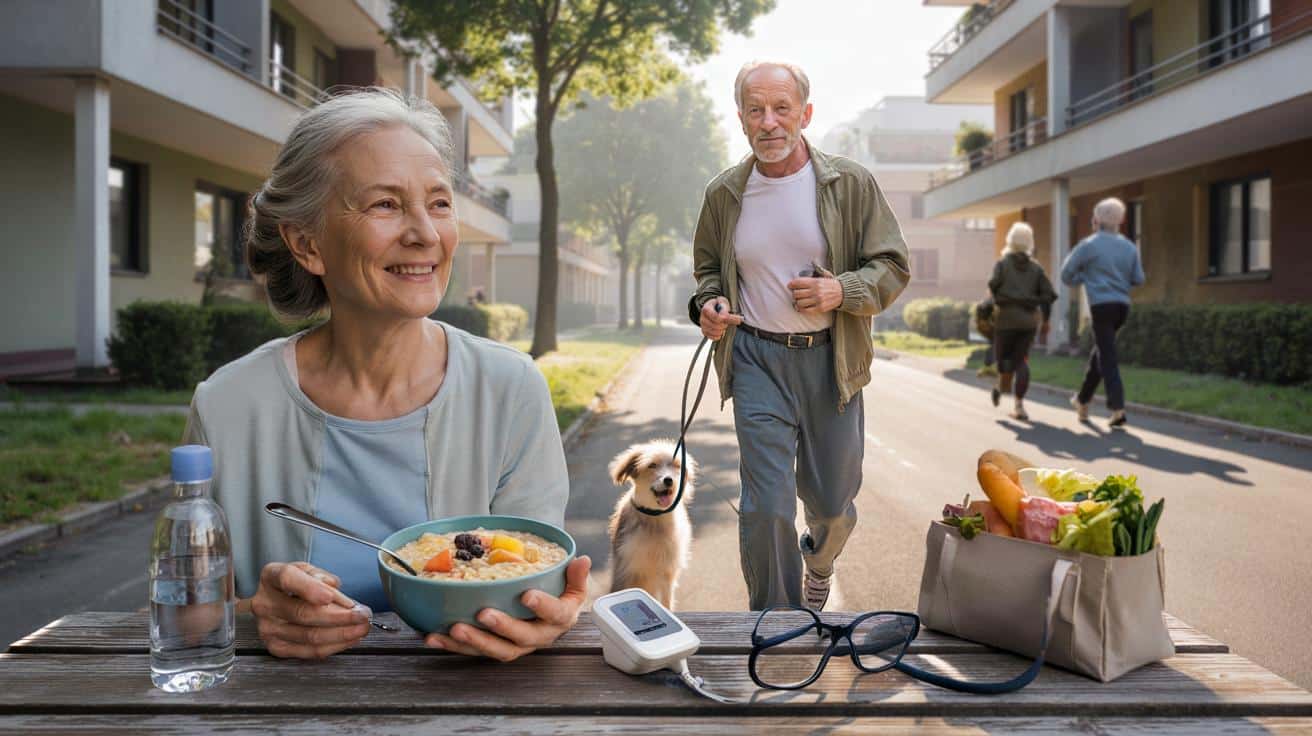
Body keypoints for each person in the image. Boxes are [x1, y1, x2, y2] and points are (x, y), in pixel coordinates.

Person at [183, 89, 589, 660]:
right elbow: (181, 616)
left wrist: (550, 615)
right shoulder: (227, 405)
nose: (425, 233)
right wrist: (253, 615)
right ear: (307, 244)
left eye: (439, 203)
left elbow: (534, 581)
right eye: (385, 205)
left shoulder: (511, 389)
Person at [689, 60, 910, 611]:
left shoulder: (849, 182)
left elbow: (892, 265)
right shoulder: (724, 194)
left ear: (805, 114)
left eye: (781, 108)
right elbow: (708, 272)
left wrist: (843, 291)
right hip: (757, 358)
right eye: (755, 109)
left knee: (832, 503)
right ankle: (777, 624)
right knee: (765, 506)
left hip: (830, 362)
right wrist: (708, 305)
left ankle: (821, 559)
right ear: (740, 117)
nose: (769, 122)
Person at [1061, 197, 1146, 428]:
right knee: (1101, 353)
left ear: (1097, 219)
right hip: (1122, 307)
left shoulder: (1089, 245)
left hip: (1101, 306)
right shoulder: (1129, 246)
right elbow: (1139, 278)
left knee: (1107, 356)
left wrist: (1085, 278)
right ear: (1121, 220)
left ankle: (1118, 409)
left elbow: (1066, 274)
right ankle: (1082, 400)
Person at [987, 223, 1056, 421]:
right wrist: (1046, 321)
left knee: (1003, 360)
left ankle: (1001, 386)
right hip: (1028, 322)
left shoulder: (1002, 264)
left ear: (1010, 240)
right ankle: (1019, 406)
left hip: (1005, 320)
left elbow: (992, 287)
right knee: (1021, 361)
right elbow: (1047, 296)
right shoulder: (1036, 268)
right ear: (1029, 243)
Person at [974, 296, 998, 378]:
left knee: (994, 344)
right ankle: (990, 367)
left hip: (985, 326)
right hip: (988, 326)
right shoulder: (991, 303)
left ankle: (989, 366)